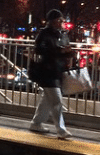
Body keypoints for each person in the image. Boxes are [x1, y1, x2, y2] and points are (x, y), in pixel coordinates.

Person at [29, 9, 74, 139]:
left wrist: (69, 53)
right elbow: (39, 50)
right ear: (52, 21)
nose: (62, 22)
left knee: (47, 100)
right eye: (59, 20)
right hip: (47, 70)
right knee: (56, 101)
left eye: (62, 20)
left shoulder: (63, 34)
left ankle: (36, 123)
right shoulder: (44, 34)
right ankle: (61, 130)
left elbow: (64, 50)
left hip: (58, 70)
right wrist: (60, 51)